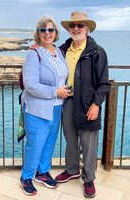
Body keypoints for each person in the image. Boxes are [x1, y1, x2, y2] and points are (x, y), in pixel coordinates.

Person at [55, 11, 110, 198]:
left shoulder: (97, 52)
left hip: (88, 104)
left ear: (86, 29)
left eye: (80, 25)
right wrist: (35, 47)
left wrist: (96, 105)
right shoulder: (62, 50)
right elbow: (46, 56)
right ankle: (72, 170)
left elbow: (103, 83)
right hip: (68, 102)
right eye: (73, 26)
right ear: (69, 29)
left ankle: (88, 179)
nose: (76, 29)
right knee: (70, 140)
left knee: (88, 144)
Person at [20, 15, 70, 196]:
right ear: (38, 33)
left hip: (57, 107)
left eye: (50, 30)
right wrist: (55, 92)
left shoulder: (60, 52)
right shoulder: (34, 54)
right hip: (37, 109)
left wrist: (61, 95)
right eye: (43, 30)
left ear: (56, 32)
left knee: (49, 142)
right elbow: (30, 84)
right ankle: (26, 177)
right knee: (35, 144)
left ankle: (42, 173)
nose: (47, 33)